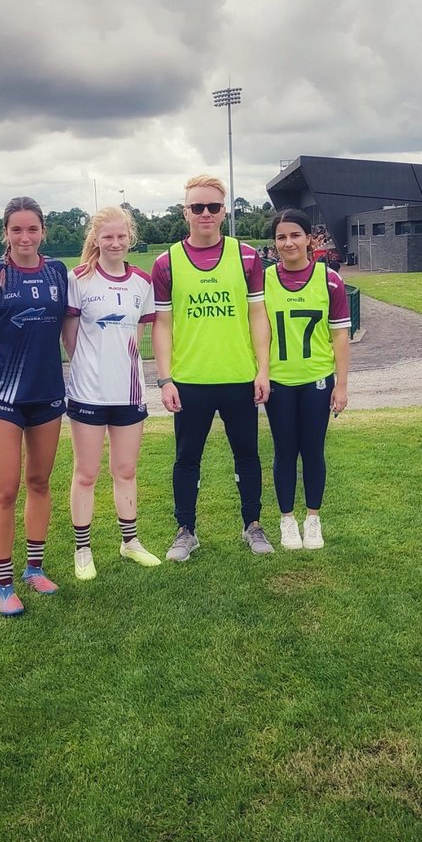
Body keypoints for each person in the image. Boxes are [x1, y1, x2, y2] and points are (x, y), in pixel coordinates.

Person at [151, 174, 274, 560]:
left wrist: (262, 369)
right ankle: (185, 530)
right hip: (190, 381)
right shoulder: (166, 262)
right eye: (197, 207)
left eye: (213, 207)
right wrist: (166, 379)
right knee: (187, 459)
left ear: (224, 212)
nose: (205, 213)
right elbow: (163, 324)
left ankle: (252, 525)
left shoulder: (247, 256)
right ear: (185, 212)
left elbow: (258, 315)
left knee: (248, 455)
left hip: (239, 377)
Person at [0, 197, 67, 616]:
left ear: (43, 231)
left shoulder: (57, 271)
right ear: (5, 233)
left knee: (40, 482)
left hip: (47, 393)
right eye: (16, 229)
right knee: (6, 488)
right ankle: (4, 584)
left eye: (32, 229)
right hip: (3, 397)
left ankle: (35, 568)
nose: (24, 237)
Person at [62, 206, 160, 576]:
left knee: (125, 469)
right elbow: (70, 337)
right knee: (86, 473)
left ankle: (129, 542)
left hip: (129, 394)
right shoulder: (80, 279)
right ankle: (83, 549)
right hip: (87, 393)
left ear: (129, 238)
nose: (115, 243)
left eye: (121, 237)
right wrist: (90, 365)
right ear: (96, 240)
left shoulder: (142, 282)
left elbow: (138, 336)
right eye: (107, 237)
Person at [264, 209, 350, 550]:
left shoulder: (329, 280)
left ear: (309, 239)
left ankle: (313, 519)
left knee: (313, 450)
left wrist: (341, 385)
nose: (289, 243)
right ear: (274, 243)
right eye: (282, 237)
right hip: (278, 381)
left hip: (317, 378)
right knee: (284, 450)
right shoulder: (265, 281)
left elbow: (340, 337)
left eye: (295, 235)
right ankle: (287, 520)